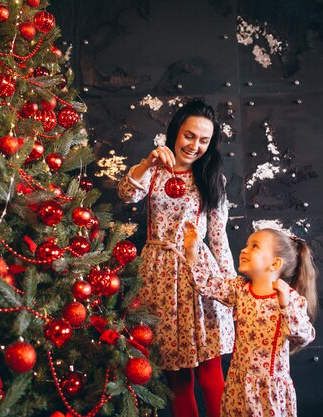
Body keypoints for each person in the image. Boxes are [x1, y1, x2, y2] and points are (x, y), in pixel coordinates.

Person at [117, 100, 236, 417]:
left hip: (199, 273)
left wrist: (229, 289)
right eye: (189, 136)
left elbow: (218, 235)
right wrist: (147, 162)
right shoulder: (153, 171)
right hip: (158, 276)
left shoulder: (211, 177)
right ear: (174, 133)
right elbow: (126, 194)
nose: (195, 146)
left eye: (204, 140)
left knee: (212, 376)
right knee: (178, 379)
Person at [183, 223, 317, 417]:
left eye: (255, 246)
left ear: (275, 264)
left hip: (267, 390)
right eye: (246, 245)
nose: (244, 250)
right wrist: (192, 250)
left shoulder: (289, 299)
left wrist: (286, 305)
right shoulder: (240, 289)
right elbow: (206, 285)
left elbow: (304, 337)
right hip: (237, 385)